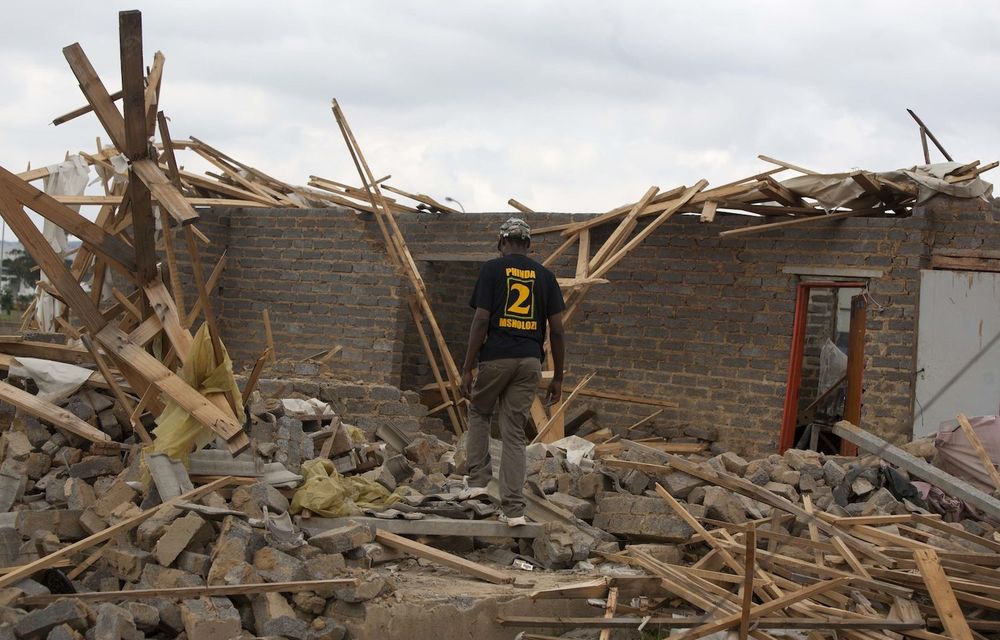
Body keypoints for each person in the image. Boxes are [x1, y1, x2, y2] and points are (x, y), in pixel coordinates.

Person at [459, 217, 566, 526]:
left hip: (496, 359)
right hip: (530, 362)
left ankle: (479, 483)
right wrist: (558, 377)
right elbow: (557, 331)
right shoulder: (545, 276)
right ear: (528, 245)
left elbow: (481, 320)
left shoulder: (492, 269)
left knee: (480, 411)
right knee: (514, 432)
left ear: (502, 243)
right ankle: (515, 510)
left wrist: (467, 368)